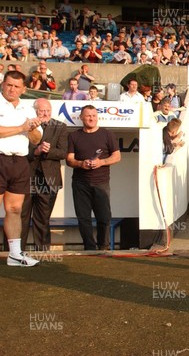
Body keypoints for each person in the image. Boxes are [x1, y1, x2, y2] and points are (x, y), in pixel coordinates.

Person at [0, 71, 42, 266]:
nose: (12, 89)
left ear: (24, 89)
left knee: (15, 209)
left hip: (20, 162)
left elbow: (36, 139)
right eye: (9, 85)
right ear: (3, 84)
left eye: (17, 86)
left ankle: (15, 255)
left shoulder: (27, 108)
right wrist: (22, 127)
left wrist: (31, 128)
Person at [66, 105, 121, 250]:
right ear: (81, 118)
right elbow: (69, 160)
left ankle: (103, 247)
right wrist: (81, 163)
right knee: (83, 218)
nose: (91, 118)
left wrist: (101, 162)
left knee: (104, 218)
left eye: (94, 116)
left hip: (101, 183)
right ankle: (89, 248)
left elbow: (117, 156)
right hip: (80, 184)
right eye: (88, 116)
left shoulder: (107, 134)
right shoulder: (73, 136)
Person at [20, 98, 68, 251]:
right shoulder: (25, 126)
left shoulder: (60, 127)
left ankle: (42, 252)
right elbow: (18, 150)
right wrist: (36, 151)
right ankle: (14, 251)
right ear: (35, 112)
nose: (45, 114)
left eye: (48, 111)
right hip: (25, 178)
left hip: (49, 180)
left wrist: (47, 151)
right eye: (42, 111)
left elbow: (63, 152)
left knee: (43, 219)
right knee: (21, 218)